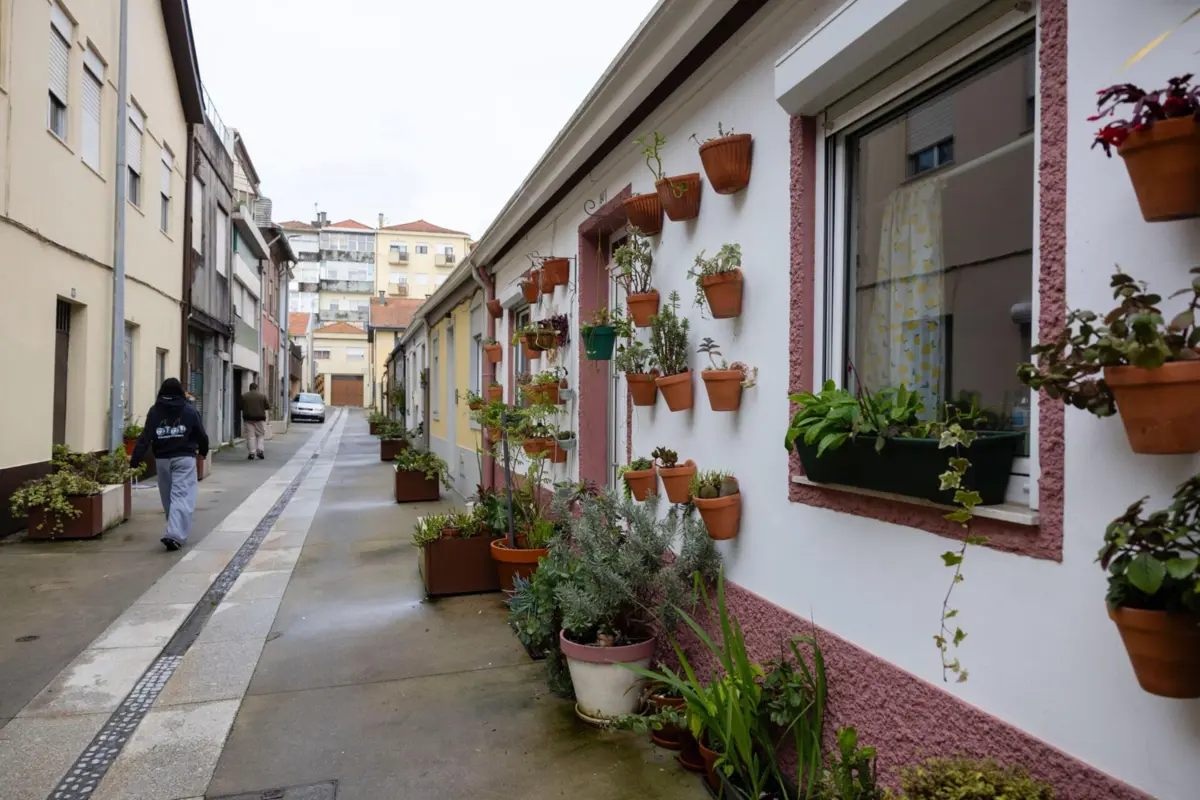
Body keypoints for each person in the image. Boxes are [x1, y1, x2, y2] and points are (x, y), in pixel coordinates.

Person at [131, 377, 209, 551]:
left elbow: (145, 437)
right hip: (184, 459)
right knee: (181, 496)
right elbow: (201, 434)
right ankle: (174, 533)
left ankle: (173, 530)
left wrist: (135, 459)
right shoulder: (189, 411)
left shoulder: (155, 411)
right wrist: (203, 451)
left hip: (162, 460)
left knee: (168, 497)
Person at [240, 382, 270, 460]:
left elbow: (240, 406)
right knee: (260, 435)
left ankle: (251, 453)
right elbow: (267, 406)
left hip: (248, 418)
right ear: (257, 388)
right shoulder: (262, 396)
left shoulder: (244, 396)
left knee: (250, 436)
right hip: (260, 418)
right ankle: (260, 450)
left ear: (250, 388)